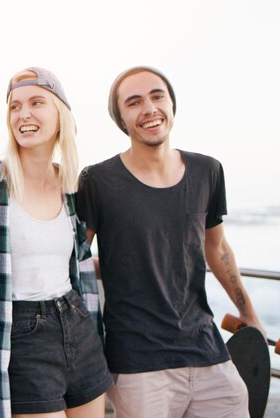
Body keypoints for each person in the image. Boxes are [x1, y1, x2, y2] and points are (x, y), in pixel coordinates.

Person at [75, 66, 266, 418]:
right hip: (138, 361)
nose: (149, 108)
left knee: (238, 402)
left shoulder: (208, 170)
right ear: (121, 119)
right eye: (134, 102)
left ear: (172, 105)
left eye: (157, 96)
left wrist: (249, 314)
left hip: (207, 348)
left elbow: (217, 248)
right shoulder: (97, 181)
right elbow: (76, 260)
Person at [0, 67, 112, 418]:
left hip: (78, 322)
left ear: (60, 114)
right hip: (22, 334)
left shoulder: (73, 187)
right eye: (15, 106)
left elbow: (79, 261)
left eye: (37, 102)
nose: (23, 114)